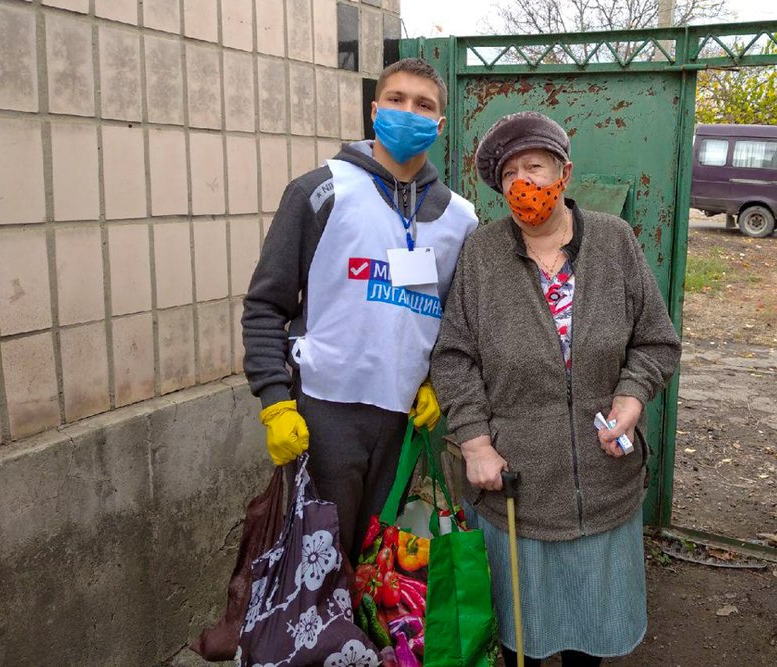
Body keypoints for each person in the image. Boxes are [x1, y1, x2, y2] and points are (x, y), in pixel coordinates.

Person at [430, 111, 682, 666]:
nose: (525, 183)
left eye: (535, 167)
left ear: (564, 174)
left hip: (604, 479)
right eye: (510, 173)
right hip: (518, 486)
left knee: (589, 634)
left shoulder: (614, 242)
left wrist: (632, 395)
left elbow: (656, 342)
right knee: (523, 635)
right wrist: (474, 440)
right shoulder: (482, 254)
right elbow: (453, 358)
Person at [241, 58, 478, 562]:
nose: (407, 112)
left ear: (438, 126)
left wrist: (438, 381)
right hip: (324, 411)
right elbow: (265, 304)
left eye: (424, 105)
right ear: (374, 110)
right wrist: (274, 401)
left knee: (376, 564)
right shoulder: (320, 191)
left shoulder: (460, 219)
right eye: (396, 100)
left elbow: (457, 322)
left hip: (401, 419)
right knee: (317, 566)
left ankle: (366, 644)